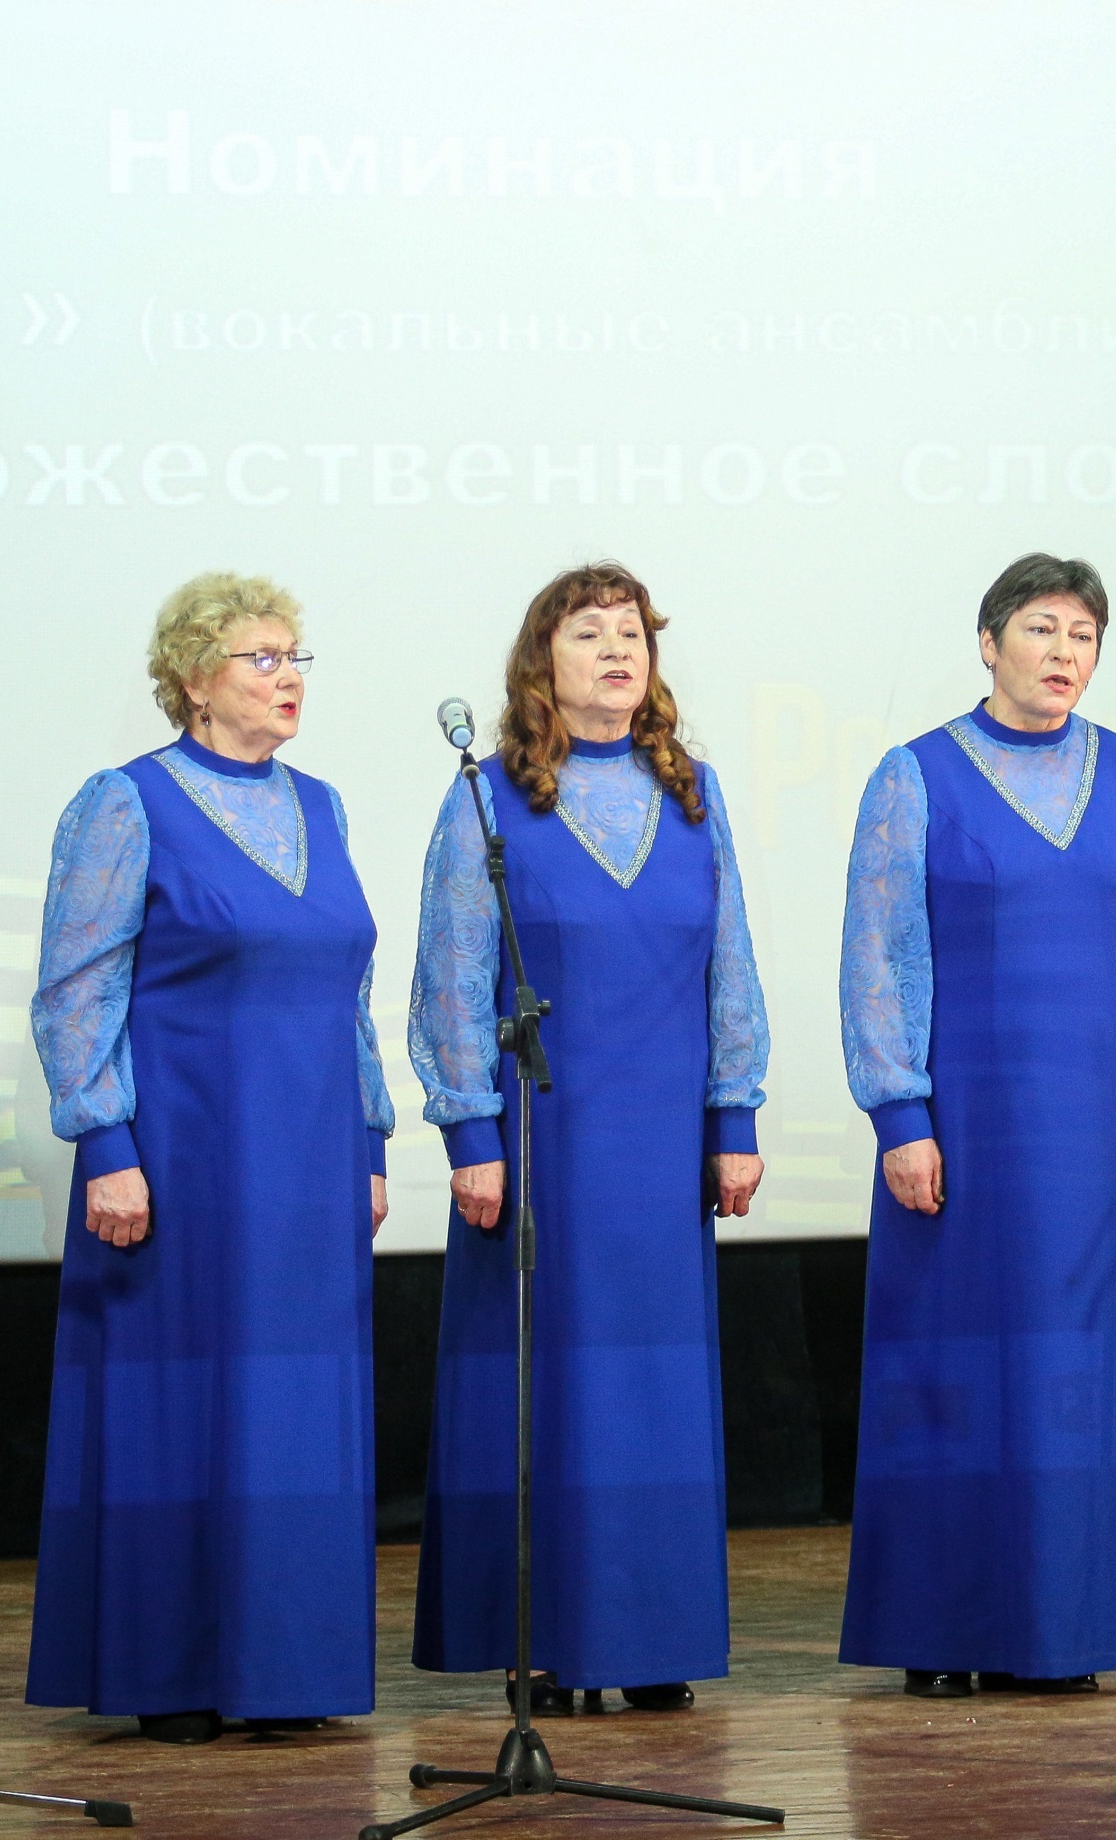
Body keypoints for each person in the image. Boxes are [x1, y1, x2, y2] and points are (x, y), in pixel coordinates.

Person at [26, 573, 395, 1745]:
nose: (288, 678)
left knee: (296, 1410)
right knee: (181, 1406)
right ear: (195, 679)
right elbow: (76, 990)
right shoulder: (125, 802)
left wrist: (371, 1137)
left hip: (311, 1162)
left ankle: (288, 1664)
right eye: (260, 658)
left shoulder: (323, 806)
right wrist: (106, 1143)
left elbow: (349, 998)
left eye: (295, 657)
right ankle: (175, 1667)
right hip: (183, 1159)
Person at [410, 561, 769, 1714]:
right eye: (588, 634)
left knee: (653, 1390)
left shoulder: (694, 792)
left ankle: (652, 1636)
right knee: (546, 1388)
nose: (617, 651)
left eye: (632, 634)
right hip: (541, 1139)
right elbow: (451, 974)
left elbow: (730, 964)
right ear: (541, 663)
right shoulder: (488, 801)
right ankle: (549, 1639)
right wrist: (470, 1128)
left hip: (661, 1149)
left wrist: (735, 1113)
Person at [837, 551, 1116, 1700]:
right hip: (971, 1125)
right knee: (958, 1366)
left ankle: (1070, 1622)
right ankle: (947, 1626)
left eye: (1083, 635)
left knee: (1081, 1372)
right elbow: (879, 954)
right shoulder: (916, 774)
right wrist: (901, 1112)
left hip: (1101, 1126)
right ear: (989, 643)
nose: (1064, 652)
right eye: (1042, 628)